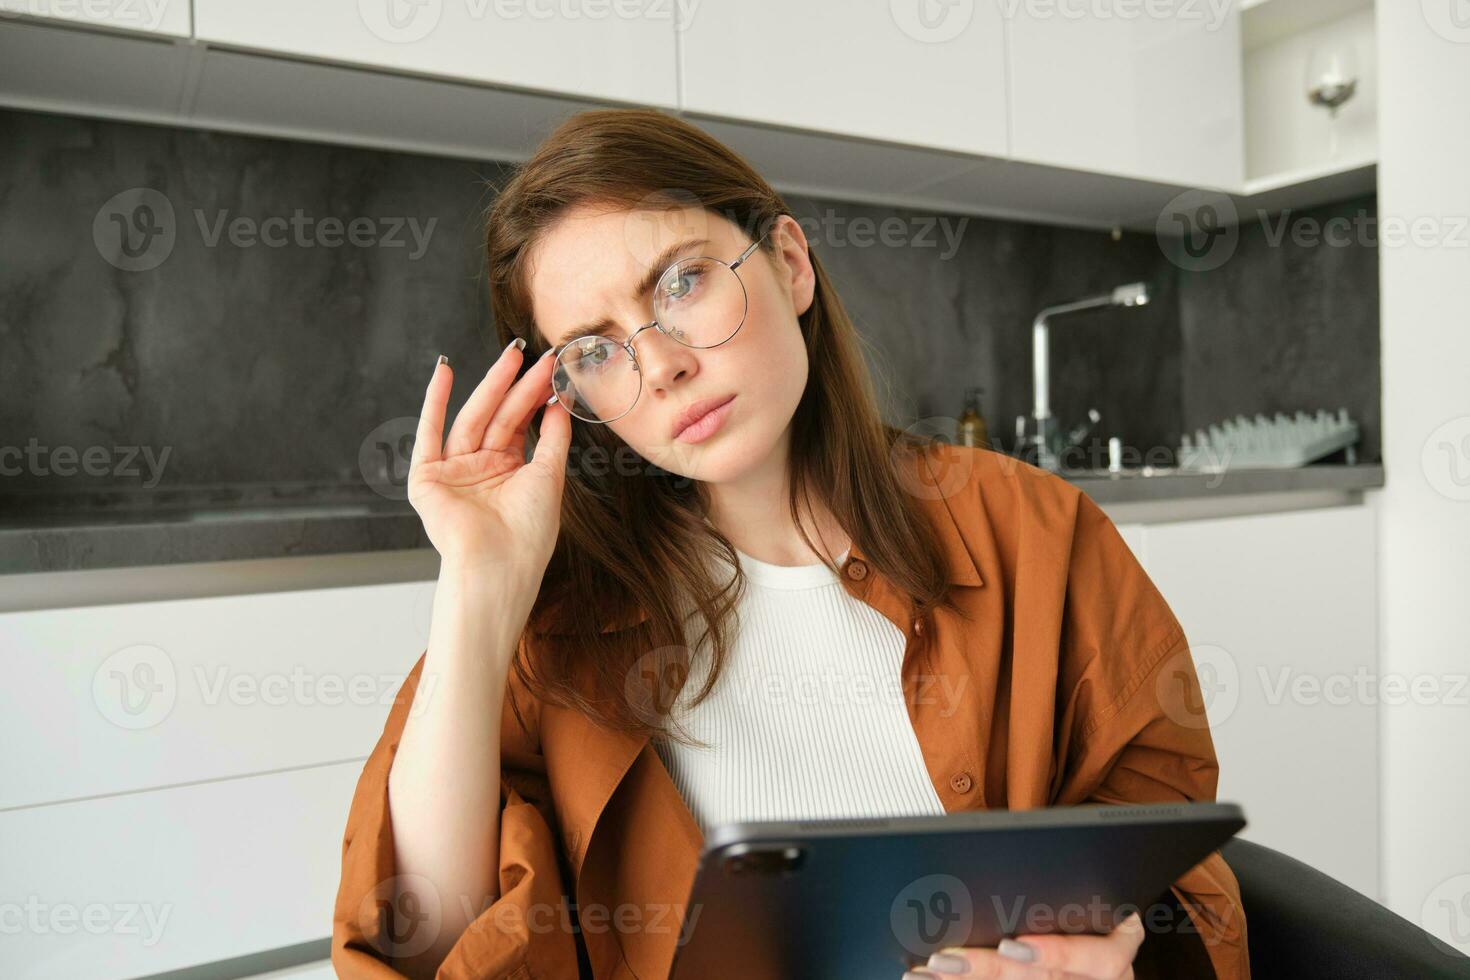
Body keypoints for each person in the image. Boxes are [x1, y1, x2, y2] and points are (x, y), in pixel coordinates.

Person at [332, 107, 1248, 980]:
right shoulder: (553, 617)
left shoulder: (1035, 531)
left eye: (682, 282)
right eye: (594, 349)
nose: (662, 367)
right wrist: (478, 587)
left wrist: (1115, 937)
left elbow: (1167, 854)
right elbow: (431, 941)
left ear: (789, 264)